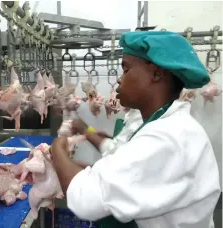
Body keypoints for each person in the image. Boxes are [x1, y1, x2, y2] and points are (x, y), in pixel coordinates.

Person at [50, 31, 221, 228]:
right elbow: (124, 158)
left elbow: (84, 200)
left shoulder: (168, 136)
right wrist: (86, 165)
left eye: (126, 69)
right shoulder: (159, 123)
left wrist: (57, 149)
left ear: (157, 74)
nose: (119, 80)